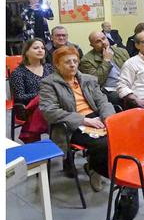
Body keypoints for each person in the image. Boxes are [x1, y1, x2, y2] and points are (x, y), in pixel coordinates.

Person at [39, 46, 115, 192]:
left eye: (75, 61)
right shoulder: (49, 83)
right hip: (70, 124)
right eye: (68, 62)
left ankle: (99, 166)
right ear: (57, 65)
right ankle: (98, 170)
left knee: (121, 134)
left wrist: (108, 120)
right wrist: (83, 120)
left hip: (97, 117)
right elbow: (49, 111)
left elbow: (103, 102)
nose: (73, 64)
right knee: (104, 143)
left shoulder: (88, 79)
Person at [10, 39, 54, 143]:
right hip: (28, 107)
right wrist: (41, 94)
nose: (40, 50)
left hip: (51, 102)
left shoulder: (49, 67)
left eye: (42, 48)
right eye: (36, 48)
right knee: (43, 102)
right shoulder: (19, 72)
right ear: (26, 52)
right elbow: (19, 96)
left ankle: (30, 133)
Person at [79, 31, 129, 108]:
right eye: (98, 41)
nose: (103, 42)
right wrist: (106, 61)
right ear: (92, 45)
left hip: (127, 84)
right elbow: (96, 81)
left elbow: (131, 70)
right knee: (121, 97)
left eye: (104, 38)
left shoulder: (122, 51)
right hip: (109, 89)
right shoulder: (86, 60)